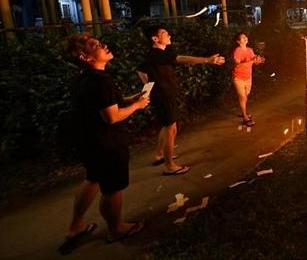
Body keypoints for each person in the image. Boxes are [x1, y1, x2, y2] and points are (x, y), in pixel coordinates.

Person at [59, 34, 149, 255]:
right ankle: (116, 229)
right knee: (111, 189)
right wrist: (136, 107)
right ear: (85, 57)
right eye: (96, 46)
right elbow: (112, 117)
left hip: (88, 141)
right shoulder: (101, 81)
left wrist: (130, 99)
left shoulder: (83, 79)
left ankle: (75, 227)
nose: (104, 45)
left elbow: (103, 105)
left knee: (92, 179)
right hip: (107, 144)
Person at [137, 25, 225, 176]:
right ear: (155, 38)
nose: (169, 35)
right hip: (163, 96)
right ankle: (170, 166)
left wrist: (148, 86)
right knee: (171, 129)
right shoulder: (155, 53)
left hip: (166, 94)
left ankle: (160, 155)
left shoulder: (161, 52)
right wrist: (207, 60)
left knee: (167, 127)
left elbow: (140, 69)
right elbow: (182, 58)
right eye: (164, 33)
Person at [232, 32, 265, 126]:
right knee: (243, 97)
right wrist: (251, 61)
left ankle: (243, 112)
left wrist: (258, 60)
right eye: (242, 37)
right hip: (238, 77)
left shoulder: (250, 50)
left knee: (245, 96)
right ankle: (245, 118)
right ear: (238, 41)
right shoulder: (237, 51)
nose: (245, 38)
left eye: (245, 36)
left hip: (248, 77)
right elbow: (237, 64)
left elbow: (254, 61)